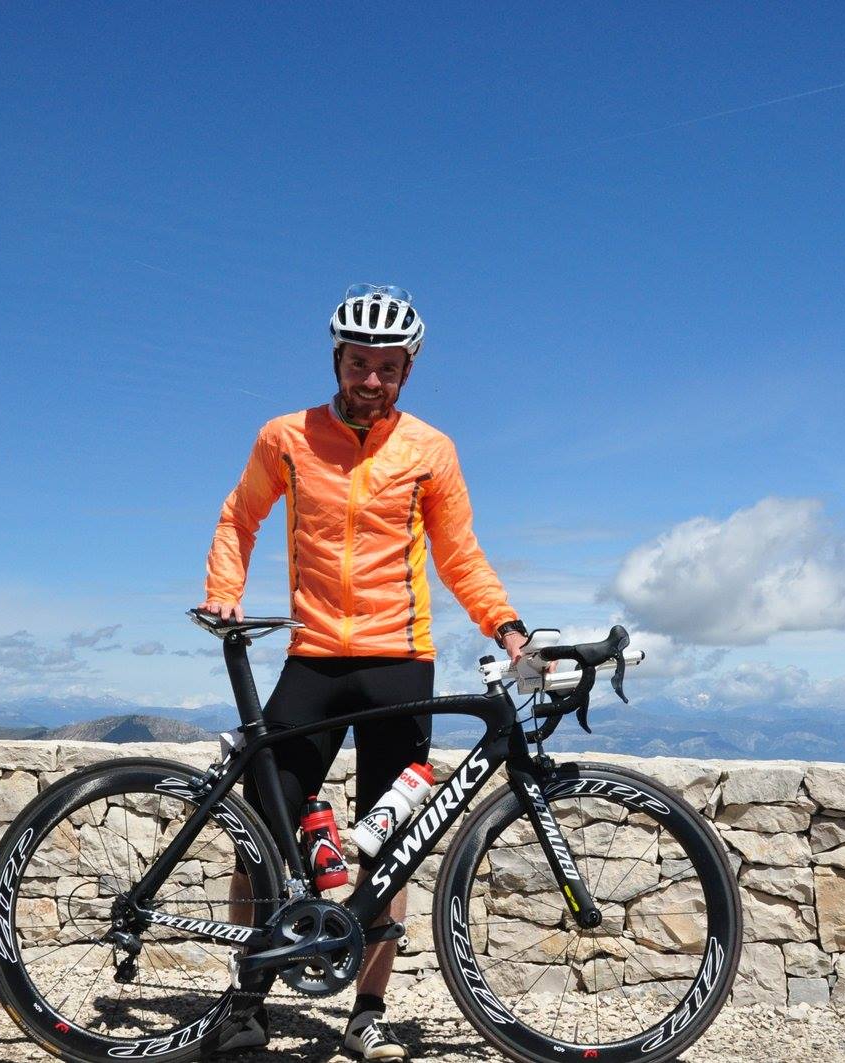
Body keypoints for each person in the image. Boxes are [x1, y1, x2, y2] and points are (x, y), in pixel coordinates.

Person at [199, 283, 528, 1060]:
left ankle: (366, 1013)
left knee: (394, 848)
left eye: (387, 367)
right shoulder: (286, 436)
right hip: (313, 658)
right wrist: (223, 590)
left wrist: (505, 625)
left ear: (407, 370)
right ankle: (247, 1002)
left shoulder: (430, 449)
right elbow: (240, 514)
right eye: (358, 364)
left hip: (399, 664)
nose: (371, 379)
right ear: (337, 361)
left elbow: (459, 554)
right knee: (259, 835)